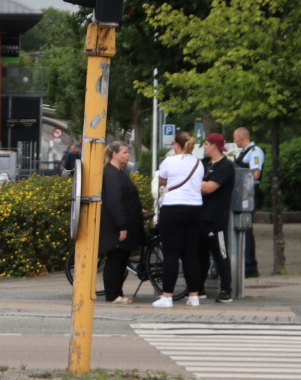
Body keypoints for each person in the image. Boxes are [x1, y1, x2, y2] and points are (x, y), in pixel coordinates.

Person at [152, 130, 206, 308]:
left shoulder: (169, 161)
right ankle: (194, 296)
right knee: (191, 254)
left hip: (173, 208)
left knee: (171, 255)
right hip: (195, 209)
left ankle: (167, 296)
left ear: (176, 145)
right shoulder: (198, 163)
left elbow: (162, 181)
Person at [99, 140, 143, 304]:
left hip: (123, 221)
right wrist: (122, 226)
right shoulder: (111, 174)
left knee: (121, 259)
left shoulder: (117, 172)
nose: (127, 155)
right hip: (115, 225)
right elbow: (114, 201)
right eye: (124, 152)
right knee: (115, 259)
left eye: (127, 152)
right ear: (114, 154)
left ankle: (118, 293)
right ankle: (113, 295)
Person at [200, 133, 236, 303]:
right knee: (200, 254)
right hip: (200, 216)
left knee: (220, 253)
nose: (204, 147)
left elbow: (209, 188)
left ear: (214, 145)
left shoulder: (226, 166)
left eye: (206, 144)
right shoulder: (203, 163)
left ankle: (226, 290)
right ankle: (198, 288)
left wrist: (190, 182)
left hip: (217, 218)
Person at [232, 127, 263, 278]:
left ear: (241, 137)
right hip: (243, 193)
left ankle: (250, 266)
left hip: (250, 193)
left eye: (235, 137)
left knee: (247, 228)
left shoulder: (255, 152)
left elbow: (256, 173)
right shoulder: (244, 152)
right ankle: (245, 264)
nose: (234, 140)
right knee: (244, 227)